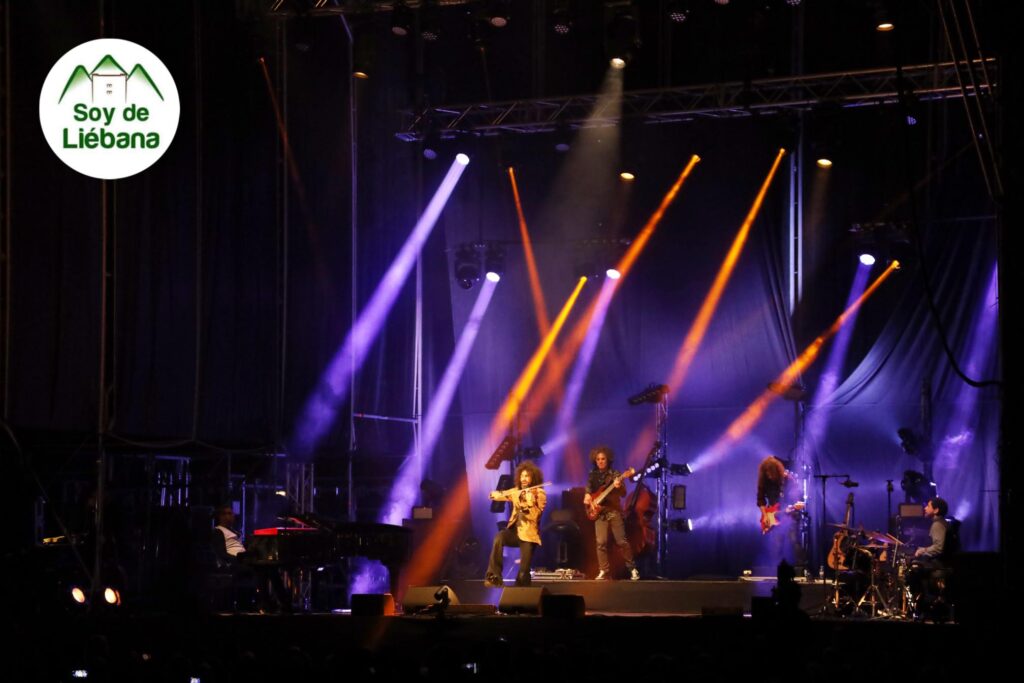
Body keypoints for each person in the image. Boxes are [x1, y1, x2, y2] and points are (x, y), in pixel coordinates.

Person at [485, 460, 546, 587]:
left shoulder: (539, 493)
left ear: (533, 478)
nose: (523, 479)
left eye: (527, 476)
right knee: (499, 537)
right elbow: (503, 495)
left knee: (523, 574)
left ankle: (523, 594)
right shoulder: (516, 491)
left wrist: (528, 504)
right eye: (522, 476)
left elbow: (535, 516)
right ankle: (494, 576)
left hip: (529, 536)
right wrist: (494, 494)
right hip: (514, 533)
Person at [584, 445, 639, 581]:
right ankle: (603, 570)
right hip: (599, 513)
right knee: (600, 543)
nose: (600, 461)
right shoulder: (592, 475)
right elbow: (588, 490)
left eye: (603, 459)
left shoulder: (615, 475)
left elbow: (623, 493)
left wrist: (619, 487)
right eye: (598, 459)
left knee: (621, 541)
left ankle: (632, 569)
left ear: (608, 460)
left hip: (614, 511)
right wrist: (587, 496)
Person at [756, 455, 807, 573]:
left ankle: (802, 569)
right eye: (766, 473)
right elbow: (760, 500)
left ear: (776, 471)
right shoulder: (764, 481)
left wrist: (794, 506)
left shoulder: (788, 479)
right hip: (774, 516)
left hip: (789, 514)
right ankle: (775, 570)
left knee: (794, 540)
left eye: (770, 472)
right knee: (776, 544)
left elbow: (798, 498)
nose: (769, 475)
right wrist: (765, 515)